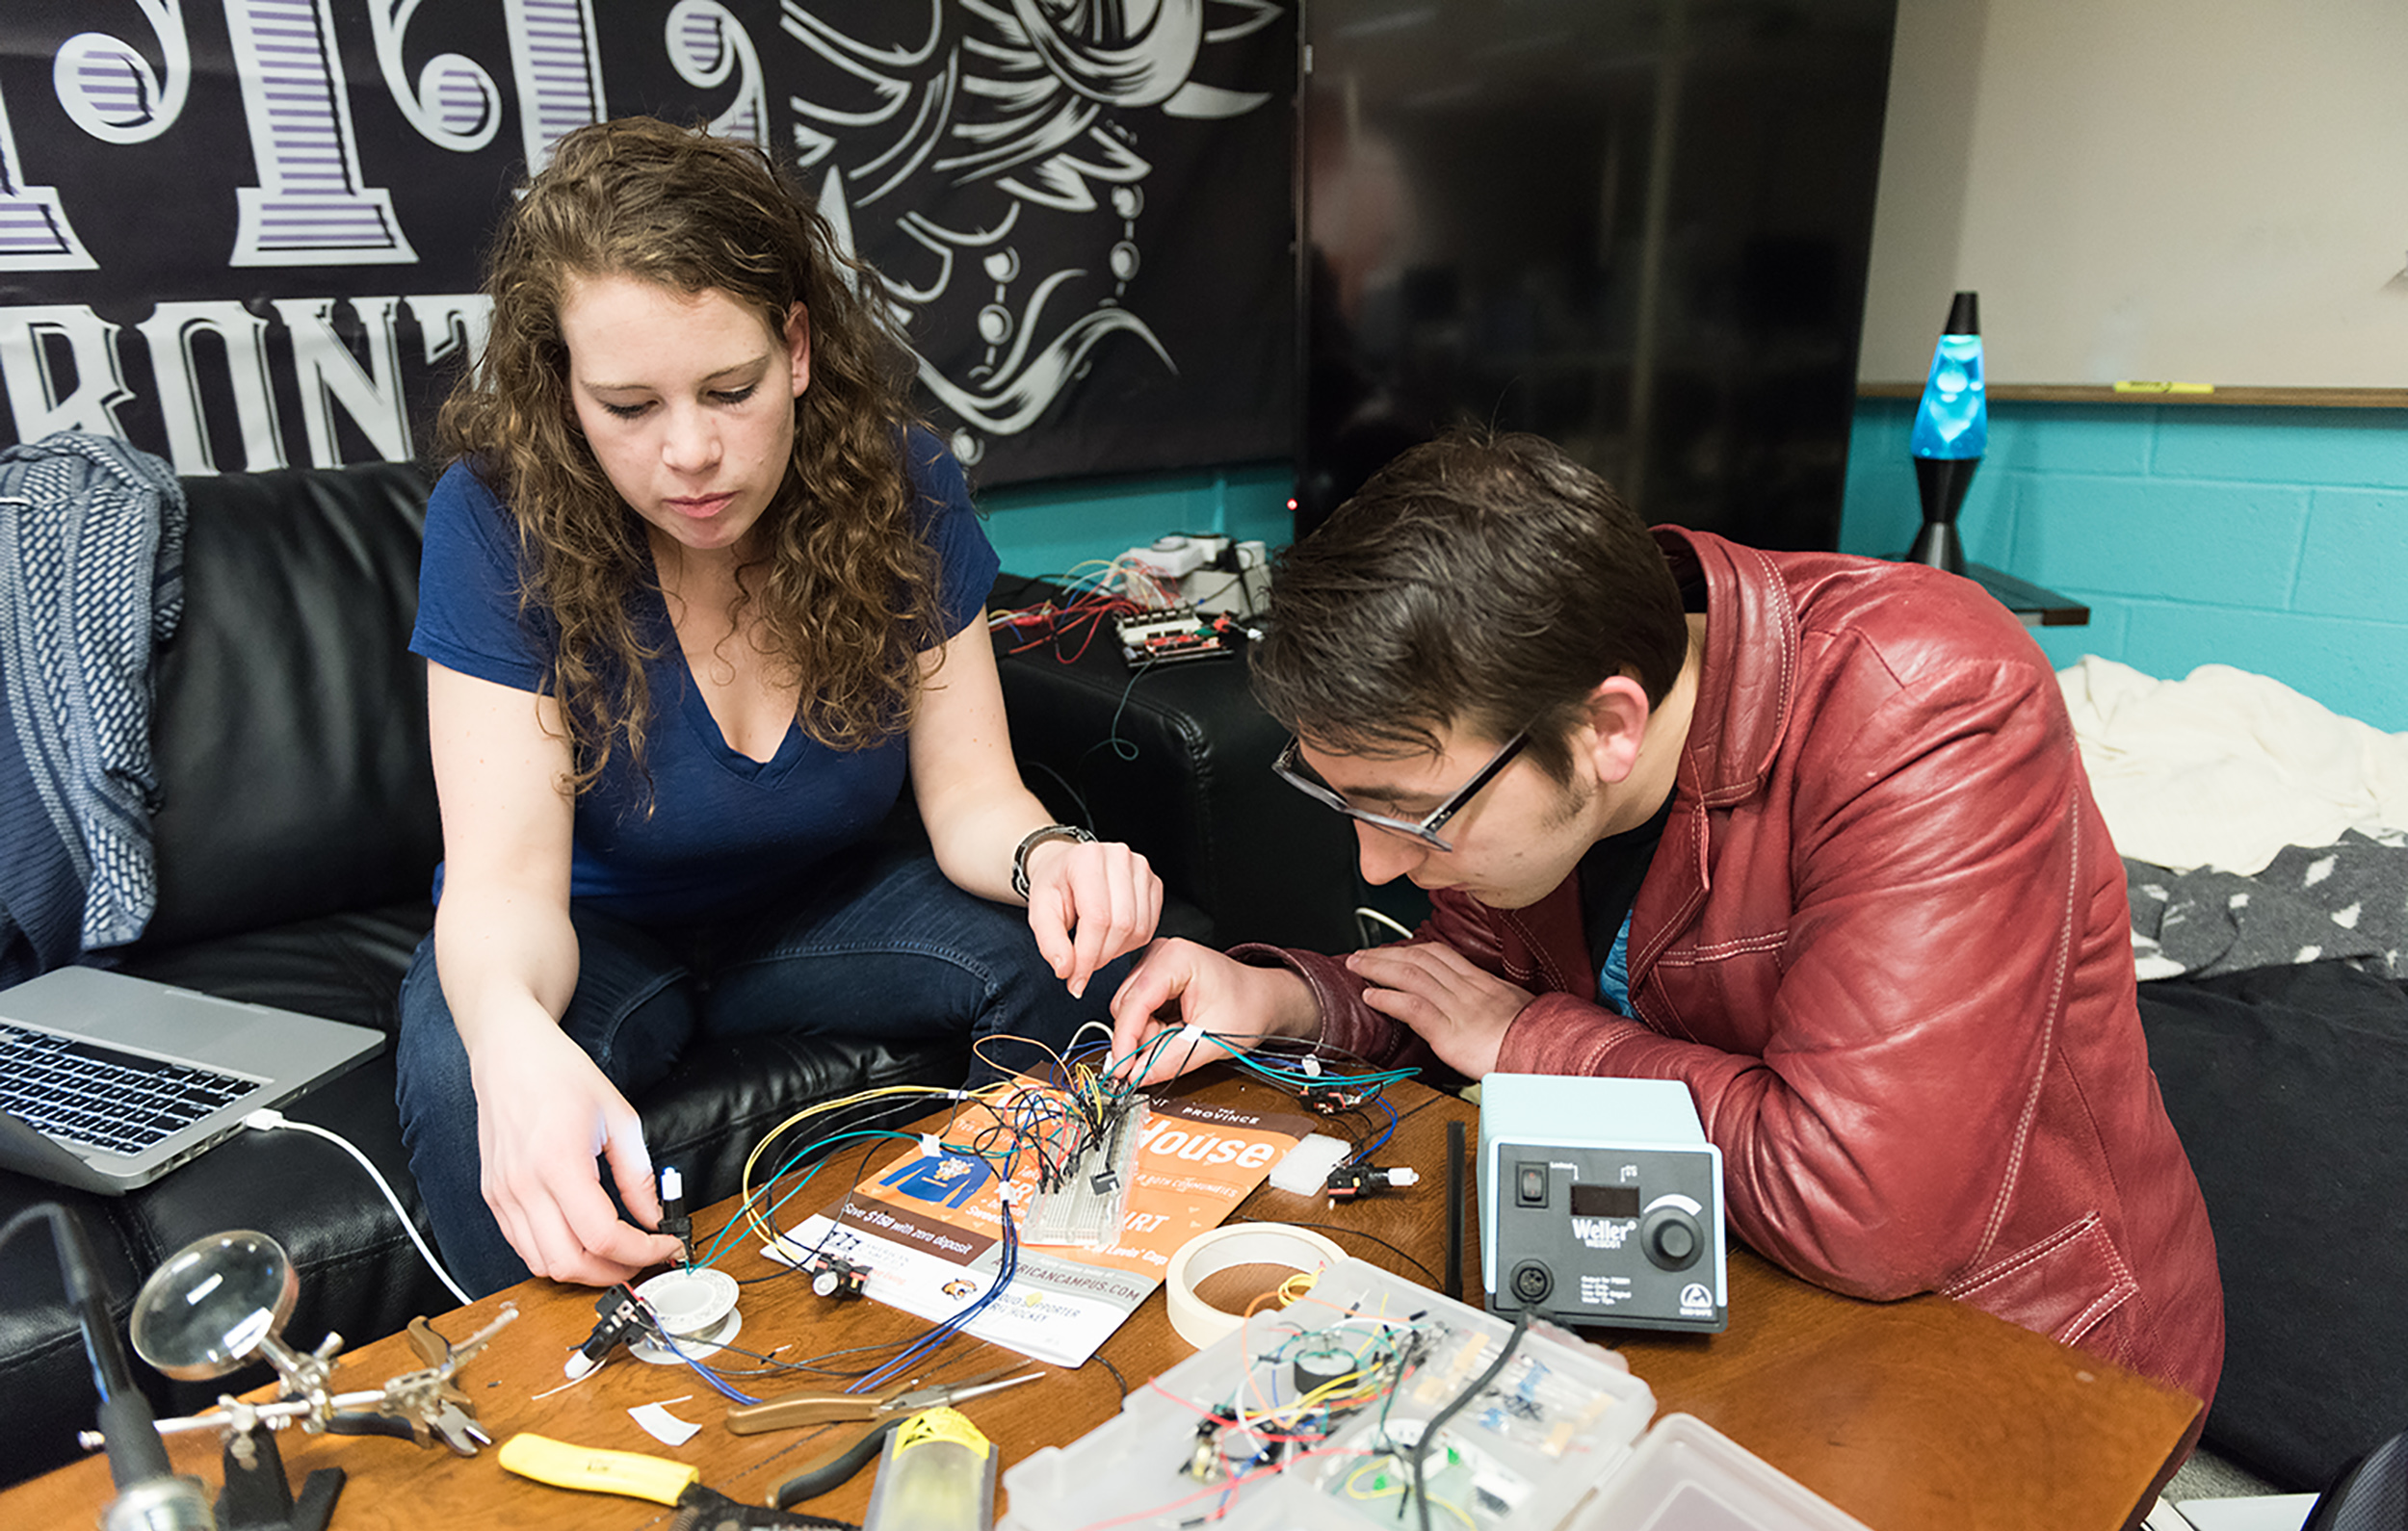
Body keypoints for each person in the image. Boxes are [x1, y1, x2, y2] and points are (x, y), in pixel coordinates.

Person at [1109, 431, 2223, 1407]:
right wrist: (1284, 996)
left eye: (1416, 814)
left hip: (2012, 1343)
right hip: (1704, 1265)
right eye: (1342, 800)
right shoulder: (1525, 691)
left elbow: (1862, 1205)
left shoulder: (1924, 701)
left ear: (1608, 728)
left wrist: (1528, 1045)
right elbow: (1469, 988)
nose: (1379, 862)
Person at [398, 117, 1161, 1298]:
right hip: (591, 934)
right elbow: (503, 890)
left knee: (1080, 964)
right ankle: (558, 1417)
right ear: (563, 391)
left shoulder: (902, 486)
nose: (692, 453)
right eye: (629, 407)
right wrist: (509, 1043)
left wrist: (1053, 857)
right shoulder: (494, 519)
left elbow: (972, 801)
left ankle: (1067, 1301)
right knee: (474, 1077)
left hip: (819, 906)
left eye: (730, 388)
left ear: (795, 348)